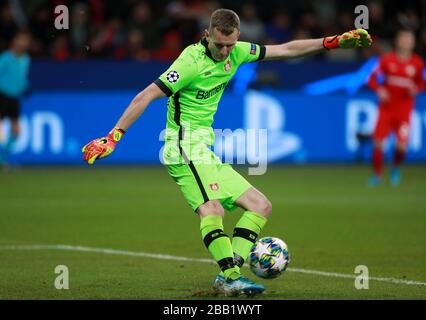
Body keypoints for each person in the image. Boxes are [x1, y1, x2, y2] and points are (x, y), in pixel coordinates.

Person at [82, 9, 371, 296]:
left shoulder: (238, 52)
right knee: (213, 209)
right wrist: (114, 136)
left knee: (260, 205)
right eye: (218, 44)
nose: (223, 51)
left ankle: (227, 274)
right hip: (182, 147)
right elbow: (146, 95)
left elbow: (286, 49)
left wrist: (331, 42)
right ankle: (232, 277)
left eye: (229, 45)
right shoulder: (190, 62)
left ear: (238, 38)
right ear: (207, 35)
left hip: (204, 150)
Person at [367, 29, 424, 186]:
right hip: (386, 109)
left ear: (413, 43)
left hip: (404, 111)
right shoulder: (387, 60)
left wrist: (416, 89)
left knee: (402, 146)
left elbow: (422, 83)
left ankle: (395, 167)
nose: (406, 42)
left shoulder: (417, 63)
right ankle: (377, 175)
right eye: (403, 39)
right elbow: (371, 79)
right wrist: (379, 89)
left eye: (409, 40)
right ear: (397, 41)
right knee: (378, 142)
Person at [0, 30, 31, 167]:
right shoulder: (6, 58)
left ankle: (3, 159)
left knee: (16, 131)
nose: (24, 43)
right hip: (2, 95)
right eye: (21, 39)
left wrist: (26, 86)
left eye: (26, 40)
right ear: (15, 41)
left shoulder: (26, 59)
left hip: (14, 98)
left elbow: (22, 77)